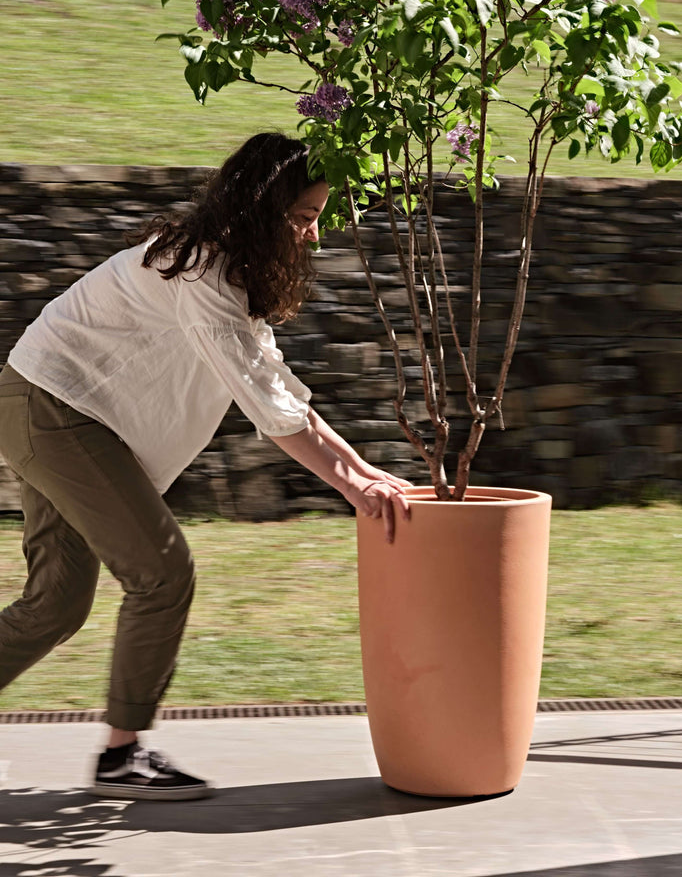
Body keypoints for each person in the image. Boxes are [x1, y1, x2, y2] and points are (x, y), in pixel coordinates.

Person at [0, 133, 411, 801]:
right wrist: (352, 486)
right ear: (261, 210)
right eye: (302, 218)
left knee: (55, 603)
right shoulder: (205, 275)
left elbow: (276, 387)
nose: (311, 237)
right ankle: (122, 755)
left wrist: (362, 468)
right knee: (162, 574)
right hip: (55, 409)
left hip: (50, 404)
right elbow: (269, 410)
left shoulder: (228, 273)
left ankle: (121, 752)